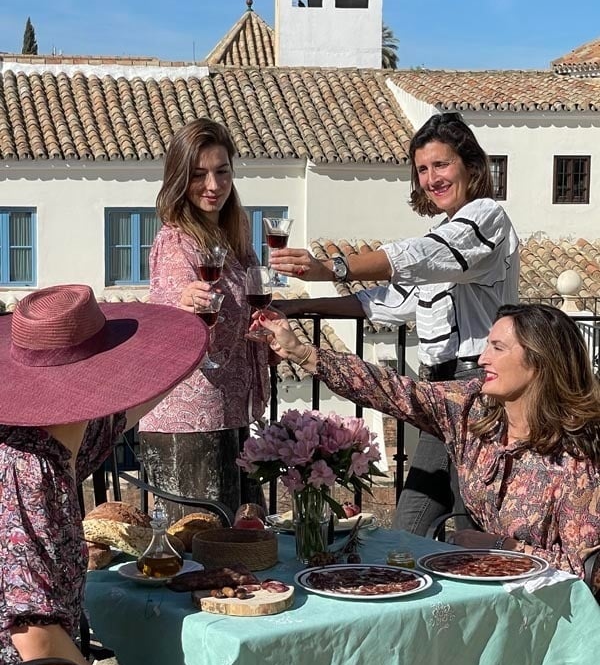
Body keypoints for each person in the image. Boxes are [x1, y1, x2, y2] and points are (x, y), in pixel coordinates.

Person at [269, 112, 519, 536]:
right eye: (422, 169)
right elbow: (385, 302)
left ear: (471, 167)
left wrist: (333, 268)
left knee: (471, 533)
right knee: (409, 529)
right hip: (436, 397)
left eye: (441, 165)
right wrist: (297, 309)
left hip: (479, 394)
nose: (431, 178)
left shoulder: (487, 218)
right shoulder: (445, 235)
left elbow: (420, 256)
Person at [0, 284, 209, 665]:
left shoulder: (49, 437)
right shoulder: (29, 472)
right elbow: (35, 639)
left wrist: (183, 359)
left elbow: (117, 419)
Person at [251, 303, 600, 587]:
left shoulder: (578, 454)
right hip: (492, 591)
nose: (481, 359)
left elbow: (584, 570)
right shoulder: (472, 408)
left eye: (497, 347)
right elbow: (390, 390)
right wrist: (299, 351)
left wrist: (500, 547)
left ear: (539, 360)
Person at [138, 118, 269, 518]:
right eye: (199, 175)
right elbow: (166, 307)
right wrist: (182, 302)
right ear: (180, 179)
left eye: (222, 172)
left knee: (244, 540)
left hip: (229, 409)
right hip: (189, 420)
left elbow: (246, 304)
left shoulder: (236, 238)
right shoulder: (176, 239)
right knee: (202, 550)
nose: (213, 185)